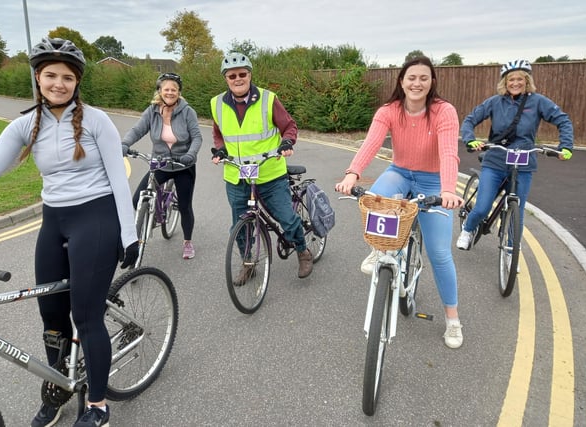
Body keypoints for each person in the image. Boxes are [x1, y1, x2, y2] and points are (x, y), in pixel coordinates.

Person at [0, 37, 138, 427]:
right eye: (50, 75)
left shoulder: (97, 121)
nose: (58, 83)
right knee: (51, 316)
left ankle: (98, 406)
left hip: (96, 218)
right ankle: (59, 385)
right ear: (38, 77)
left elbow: (120, 180)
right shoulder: (25, 125)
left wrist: (129, 233)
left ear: (77, 82)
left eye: (67, 77)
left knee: (86, 317)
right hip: (54, 222)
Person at [335, 56, 465, 349]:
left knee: (439, 253)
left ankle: (453, 320)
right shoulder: (389, 110)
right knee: (376, 200)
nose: (417, 83)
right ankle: (377, 249)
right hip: (400, 172)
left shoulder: (443, 111)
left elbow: (448, 153)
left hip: (433, 180)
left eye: (423, 78)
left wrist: (447, 189)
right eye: (411, 77)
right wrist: (353, 174)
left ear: (432, 82)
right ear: (401, 81)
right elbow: (371, 143)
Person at [210, 52, 313, 280]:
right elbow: (219, 133)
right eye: (232, 75)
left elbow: (289, 125)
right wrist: (220, 149)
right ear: (226, 78)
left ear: (250, 75)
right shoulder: (216, 103)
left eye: (242, 74)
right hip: (237, 177)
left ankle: (303, 251)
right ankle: (248, 263)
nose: (238, 79)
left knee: (286, 218)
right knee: (240, 226)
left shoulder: (268, 99)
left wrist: (287, 141)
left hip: (269, 174)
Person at [456, 59, 574, 251]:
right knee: (483, 206)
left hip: (523, 163)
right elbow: (470, 120)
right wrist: (470, 139)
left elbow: (563, 121)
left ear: (527, 81)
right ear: (505, 82)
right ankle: (467, 229)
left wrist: (566, 146)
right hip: (495, 160)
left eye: (520, 79)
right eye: (511, 79)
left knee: (517, 209)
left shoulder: (538, 102)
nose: (515, 83)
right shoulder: (495, 102)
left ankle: (512, 250)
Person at [122, 72, 203, 259]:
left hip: (184, 165)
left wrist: (190, 154)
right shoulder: (152, 111)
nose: (170, 92)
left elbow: (197, 136)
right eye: (166, 89)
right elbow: (138, 129)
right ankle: (151, 214)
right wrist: (125, 144)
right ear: (160, 91)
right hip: (161, 163)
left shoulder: (187, 111)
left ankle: (188, 242)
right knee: (137, 200)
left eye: (173, 89)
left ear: (179, 92)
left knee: (184, 206)